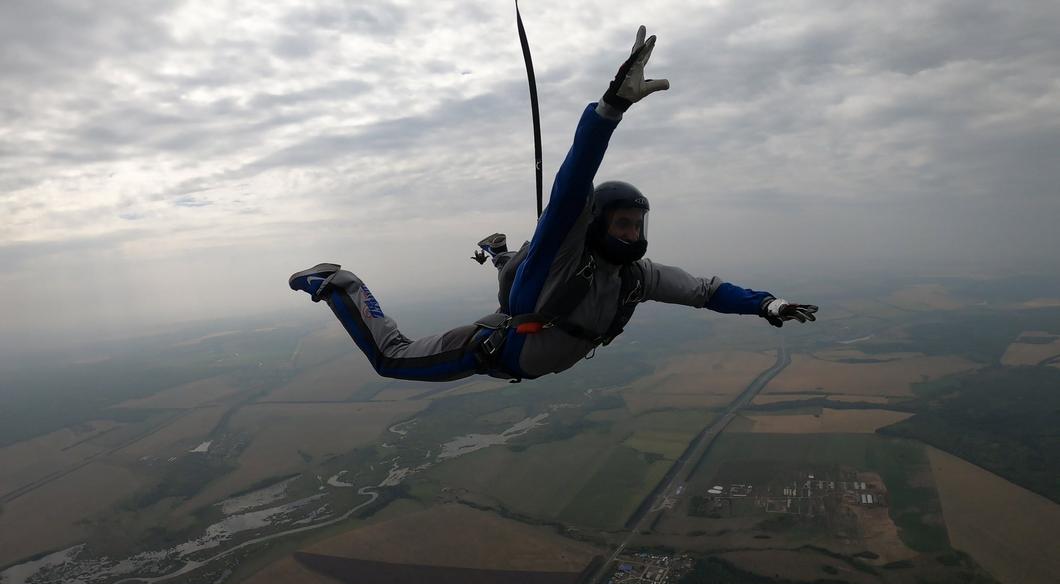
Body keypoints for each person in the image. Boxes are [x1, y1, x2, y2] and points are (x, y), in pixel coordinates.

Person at [289, 26, 818, 382]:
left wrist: (765, 304)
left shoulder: (637, 276)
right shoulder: (570, 242)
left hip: (531, 320)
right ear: (595, 223)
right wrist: (609, 110)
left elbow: (704, 291)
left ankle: (498, 252)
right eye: (622, 223)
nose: (632, 234)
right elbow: (573, 179)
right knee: (391, 359)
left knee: (524, 270)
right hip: (495, 349)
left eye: (637, 224)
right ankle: (340, 284)